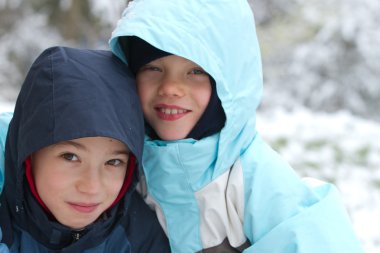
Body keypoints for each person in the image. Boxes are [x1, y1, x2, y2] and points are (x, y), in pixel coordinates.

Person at [108, 0, 364, 252]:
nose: (171, 88)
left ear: (227, 82)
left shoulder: (252, 177)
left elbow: (315, 240)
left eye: (196, 71)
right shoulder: (129, 168)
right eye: (153, 68)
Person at [0, 46, 170, 252]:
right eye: (70, 157)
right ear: (29, 154)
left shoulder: (140, 237)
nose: (91, 187)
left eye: (114, 162)